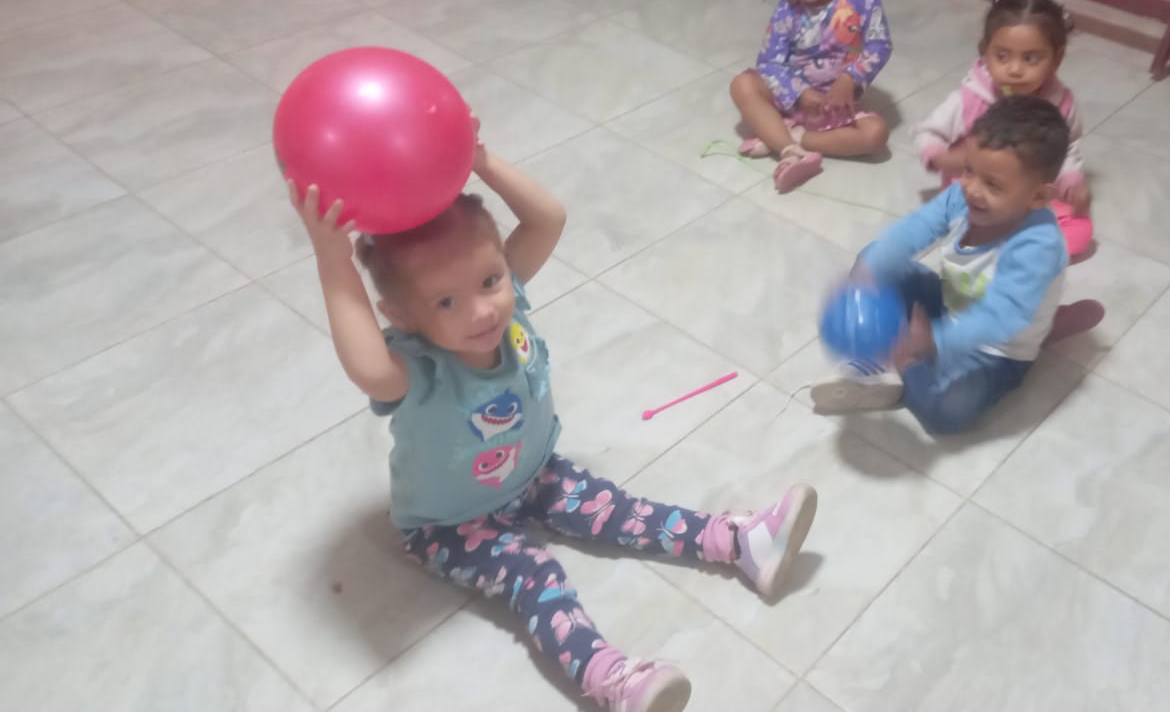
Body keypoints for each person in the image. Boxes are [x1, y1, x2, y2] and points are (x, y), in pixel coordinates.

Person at [288, 127, 817, 712]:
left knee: (619, 508)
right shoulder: (416, 367)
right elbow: (366, 366)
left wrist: (481, 162)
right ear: (403, 316)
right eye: (446, 302)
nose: (482, 310)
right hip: (452, 525)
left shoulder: (507, 298)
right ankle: (615, 682)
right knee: (534, 574)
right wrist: (333, 261)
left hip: (535, 474)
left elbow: (549, 219)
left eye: (490, 280)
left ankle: (742, 542)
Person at [810, 95, 1070, 434]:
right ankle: (879, 358)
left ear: (1038, 197)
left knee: (947, 411)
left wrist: (933, 340)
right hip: (949, 304)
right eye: (969, 170)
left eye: (992, 184)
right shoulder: (961, 197)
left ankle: (906, 367)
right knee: (875, 257)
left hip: (995, 349)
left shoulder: (1037, 247)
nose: (972, 189)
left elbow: (1002, 318)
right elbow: (915, 230)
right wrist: (869, 272)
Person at [914, 0, 1093, 258]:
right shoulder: (970, 98)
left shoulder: (1061, 104)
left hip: (1027, 196)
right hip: (974, 195)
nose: (1015, 70)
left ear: (1056, 58)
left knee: (1081, 232)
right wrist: (942, 158)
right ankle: (1007, 247)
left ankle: (1014, 249)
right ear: (985, 52)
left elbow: (1066, 148)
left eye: (1030, 59)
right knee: (961, 225)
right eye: (1002, 56)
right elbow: (929, 132)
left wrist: (1071, 181)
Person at [730, 0, 892, 193]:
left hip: (838, 106)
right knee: (742, 85)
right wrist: (799, 93)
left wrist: (850, 78)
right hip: (791, 101)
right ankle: (789, 151)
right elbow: (769, 62)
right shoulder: (788, 9)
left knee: (876, 135)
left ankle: (793, 138)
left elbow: (879, 44)